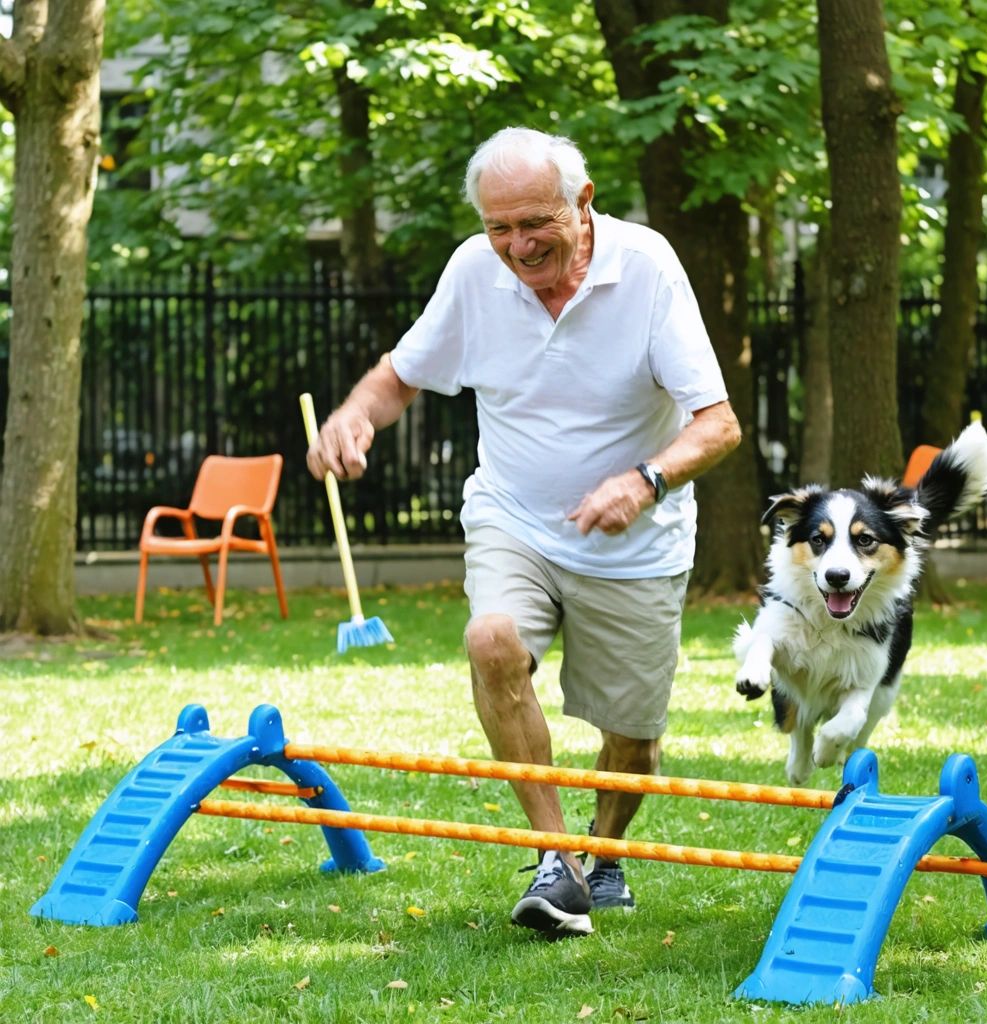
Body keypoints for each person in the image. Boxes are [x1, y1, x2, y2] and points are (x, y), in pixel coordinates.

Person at [307, 127, 742, 937]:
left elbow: (718, 426)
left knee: (634, 745)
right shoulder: (476, 273)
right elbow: (400, 375)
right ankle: (557, 859)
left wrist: (643, 481)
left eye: (534, 222)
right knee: (491, 639)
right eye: (497, 228)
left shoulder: (646, 267)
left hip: (636, 543)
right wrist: (354, 417)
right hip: (516, 518)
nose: (517, 245)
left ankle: (603, 856)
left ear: (584, 204)